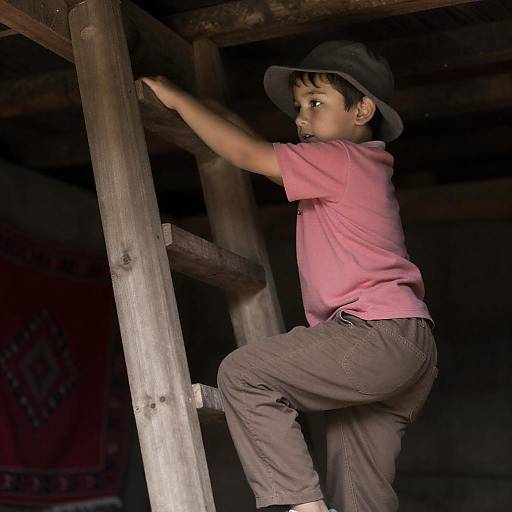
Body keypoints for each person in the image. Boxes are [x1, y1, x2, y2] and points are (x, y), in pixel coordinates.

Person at [142, 40, 438, 512]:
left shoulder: (340, 159)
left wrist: (177, 99)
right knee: (360, 496)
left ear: (362, 110)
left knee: (243, 375)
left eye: (316, 103)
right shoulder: (360, 167)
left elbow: (247, 153)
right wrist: (210, 109)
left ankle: (304, 508)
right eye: (299, 108)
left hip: (373, 335)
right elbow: (257, 147)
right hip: (408, 345)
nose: (301, 118)